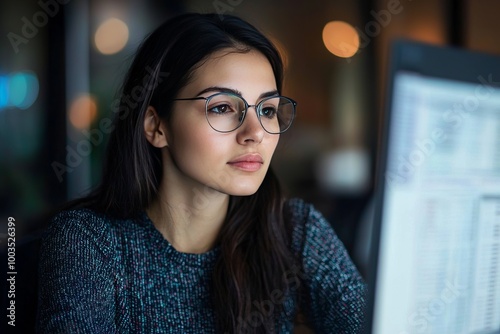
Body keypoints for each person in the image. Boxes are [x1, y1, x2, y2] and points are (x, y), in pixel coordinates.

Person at [37, 12, 366, 333]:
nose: (255, 132)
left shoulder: (295, 232)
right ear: (156, 126)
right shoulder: (90, 243)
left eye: (267, 110)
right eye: (222, 107)